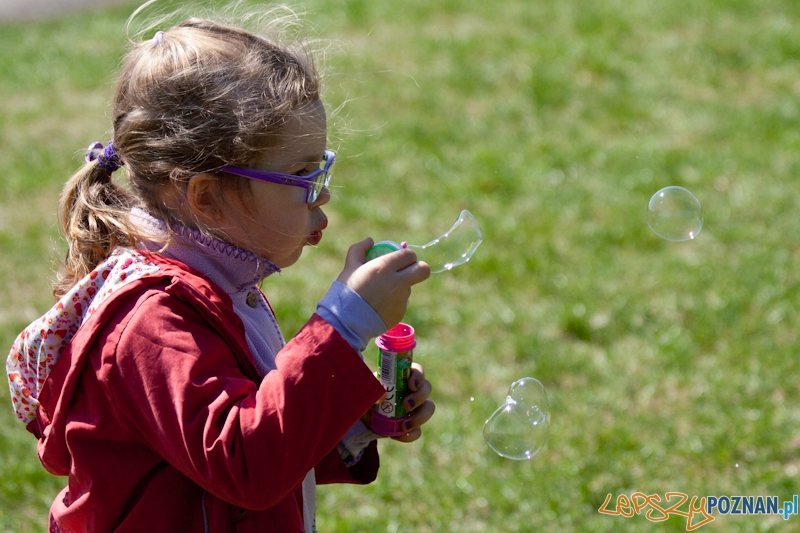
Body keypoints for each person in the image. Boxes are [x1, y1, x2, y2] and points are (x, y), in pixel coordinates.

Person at [6, 10, 433, 533]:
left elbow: (244, 441)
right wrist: (342, 327)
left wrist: (350, 425)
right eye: (300, 174)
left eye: (321, 168)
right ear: (206, 197)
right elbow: (244, 463)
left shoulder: (218, 289)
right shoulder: (150, 325)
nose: (320, 194)